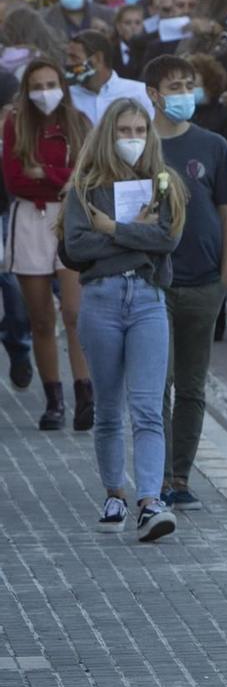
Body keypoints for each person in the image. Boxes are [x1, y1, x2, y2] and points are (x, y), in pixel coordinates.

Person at [61, 97, 188, 541]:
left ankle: (150, 501)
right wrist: (138, 238)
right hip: (101, 299)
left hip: (148, 299)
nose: (132, 139)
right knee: (109, 408)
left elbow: (167, 239)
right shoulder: (86, 184)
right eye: (123, 131)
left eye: (139, 131)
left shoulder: (164, 182)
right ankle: (114, 491)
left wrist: (113, 230)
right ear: (107, 135)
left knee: (149, 408)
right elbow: (76, 247)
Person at [144, 56, 227, 509]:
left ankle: (180, 477)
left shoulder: (214, 145)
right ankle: (156, 476)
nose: (183, 93)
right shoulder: (138, 146)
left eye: (188, 84)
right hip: (153, 285)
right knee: (155, 385)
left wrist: (224, 280)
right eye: (173, 86)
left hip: (203, 285)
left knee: (192, 387)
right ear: (153, 95)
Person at [4, 57, 95, 431]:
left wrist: (47, 173)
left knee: (74, 313)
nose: (45, 93)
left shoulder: (77, 122)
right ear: (27, 91)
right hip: (29, 219)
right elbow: (14, 180)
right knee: (40, 318)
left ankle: (84, 393)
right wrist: (59, 179)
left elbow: (86, 176)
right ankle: (53, 398)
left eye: (51, 84)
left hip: (68, 219)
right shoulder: (15, 124)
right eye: (37, 86)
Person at [64, 32, 148, 125]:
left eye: (74, 57)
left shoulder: (139, 93)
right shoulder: (65, 96)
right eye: (68, 57)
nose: (68, 63)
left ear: (98, 58)